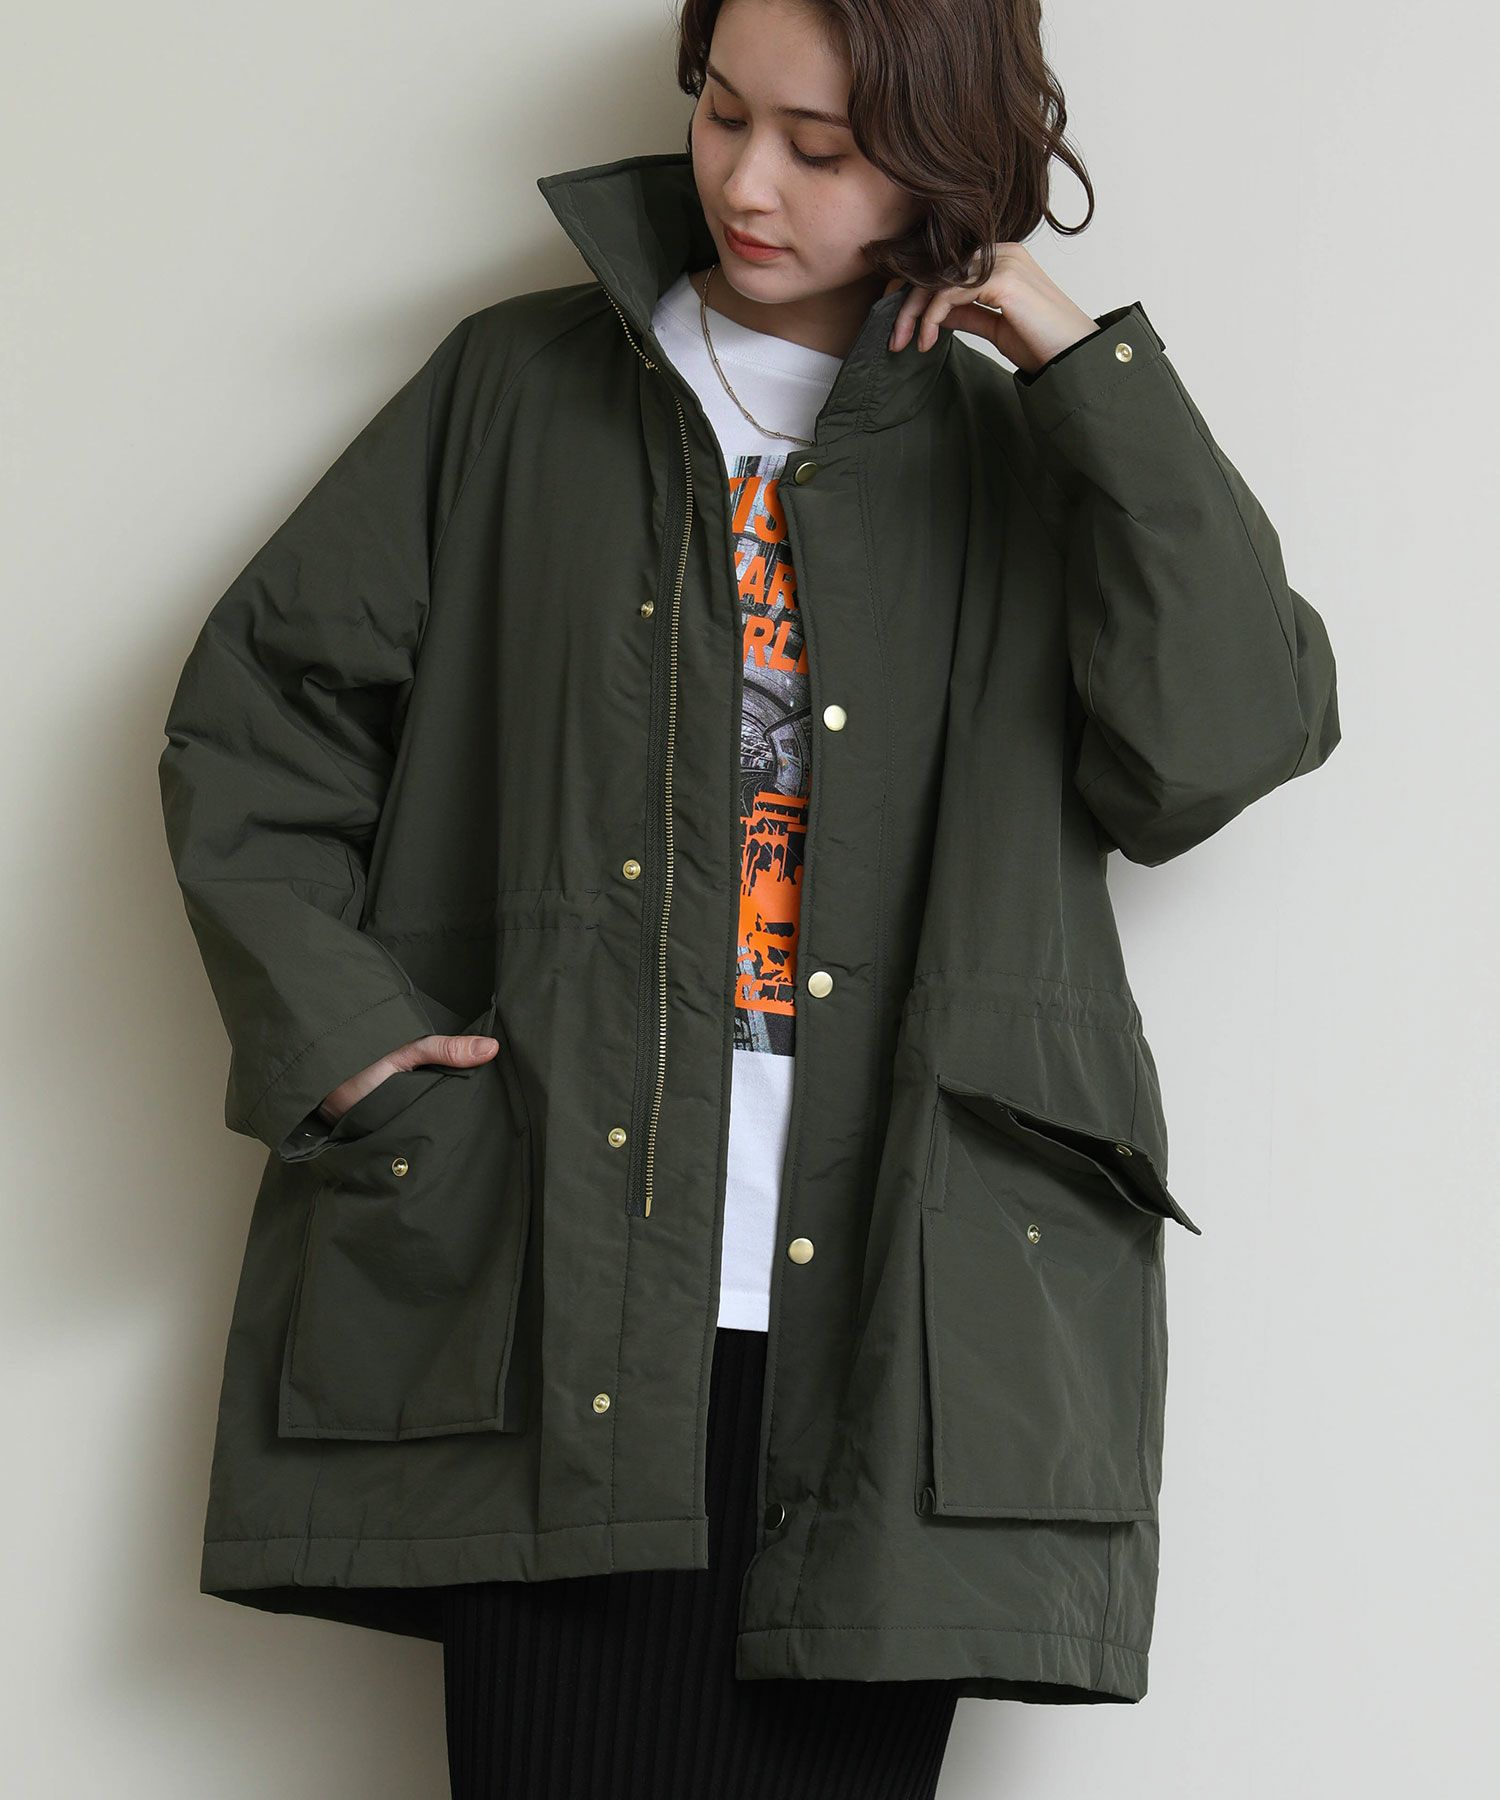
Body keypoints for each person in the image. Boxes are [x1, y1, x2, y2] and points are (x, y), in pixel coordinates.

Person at [158, 0, 1340, 1794]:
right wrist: (351, 1045)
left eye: (826, 147)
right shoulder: (513, 394)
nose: (749, 183)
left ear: (944, 166)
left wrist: (1078, 357)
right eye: (723, 115)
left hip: (904, 1311)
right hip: (552, 1265)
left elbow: (1220, 746)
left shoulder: (1033, 450)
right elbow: (259, 724)